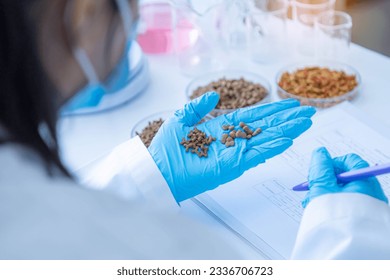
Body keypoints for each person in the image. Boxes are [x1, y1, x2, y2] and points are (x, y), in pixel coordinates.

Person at [0, 0, 388, 260]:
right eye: (132, 11)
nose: (135, 23)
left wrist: (144, 177)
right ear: (83, 16)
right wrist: (349, 229)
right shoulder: (168, 250)